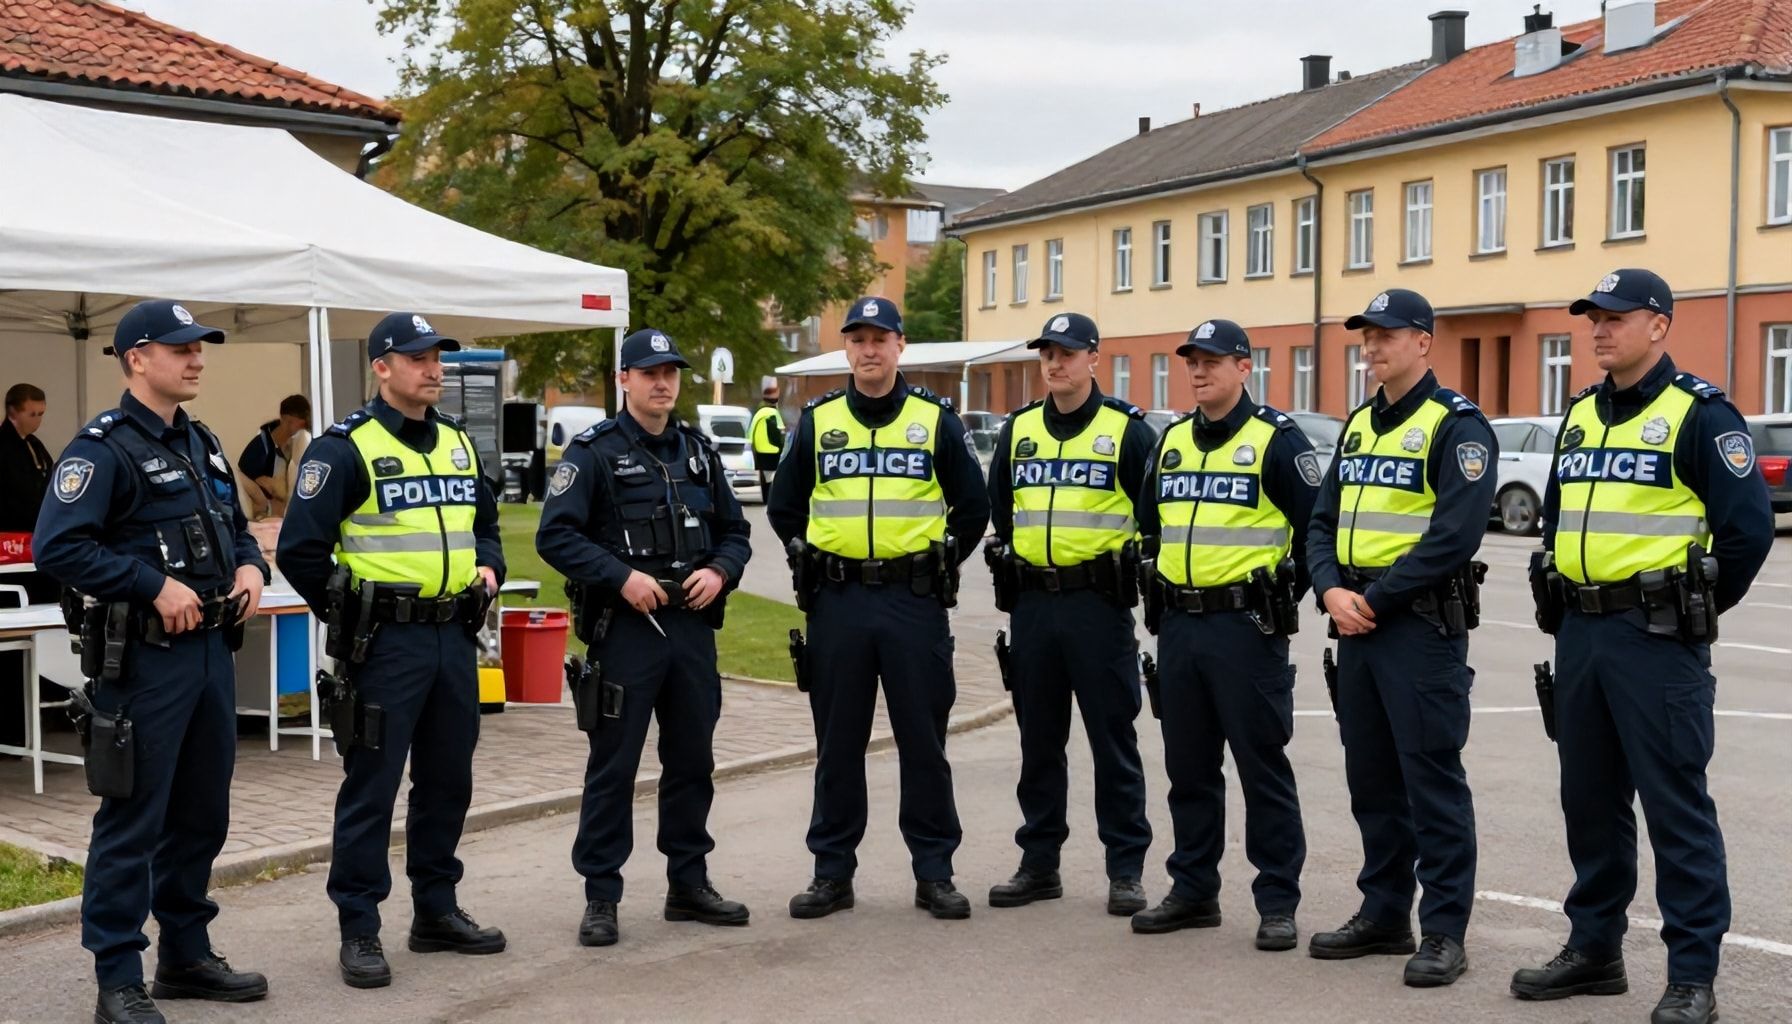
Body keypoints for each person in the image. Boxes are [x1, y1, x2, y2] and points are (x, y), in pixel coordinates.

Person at [1510, 270, 1773, 1024]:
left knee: (1675, 806)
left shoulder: (1700, 414)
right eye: (1593, 317)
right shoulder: (1584, 414)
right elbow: (1560, 518)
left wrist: (1691, 609)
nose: (1599, 329)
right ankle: (1595, 950)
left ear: (1659, 325)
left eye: (1616, 318)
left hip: (1657, 639)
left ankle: (1693, 975)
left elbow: (1748, 533)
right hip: (1583, 634)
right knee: (1588, 800)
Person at [34, 300, 269, 1024]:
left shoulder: (200, 442)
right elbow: (59, 547)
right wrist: (152, 585)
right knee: (133, 819)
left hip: (210, 655)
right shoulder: (101, 448)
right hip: (143, 662)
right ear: (138, 358)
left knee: (203, 811)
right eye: (180, 348)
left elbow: (233, 526)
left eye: (199, 348)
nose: (196, 358)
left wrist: (253, 567)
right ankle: (117, 977)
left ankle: (185, 955)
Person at [277, 312, 506, 990]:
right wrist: (351, 619)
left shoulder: (459, 446)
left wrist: (488, 568)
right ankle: (360, 928)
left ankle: (436, 911)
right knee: (372, 788)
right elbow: (300, 549)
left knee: (447, 783)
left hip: (452, 638)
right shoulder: (343, 449)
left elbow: (485, 527)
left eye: (437, 357)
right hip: (385, 645)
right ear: (381, 366)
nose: (433, 368)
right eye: (417, 358)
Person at [768, 296, 990, 921]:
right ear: (846, 348)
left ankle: (935, 873)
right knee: (838, 743)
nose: (869, 349)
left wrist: (943, 560)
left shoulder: (936, 421)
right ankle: (831, 874)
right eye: (858, 338)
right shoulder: (816, 422)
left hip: (912, 602)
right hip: (837, 603)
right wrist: (804, 558)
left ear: (901, 347)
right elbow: (784, 507)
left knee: (924, 743)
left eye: (880, 338)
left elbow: (972, 508)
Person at [536, 327, 754, 948]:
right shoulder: (594, 452)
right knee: (614, 766)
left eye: (671, 372)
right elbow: (556, 535)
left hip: (690, 631)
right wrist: (621, 577)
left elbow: (736, 532)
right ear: (622, 380)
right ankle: (601, 896)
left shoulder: (698, 452)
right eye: (649, 372)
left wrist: (721, 570)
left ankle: (688, 884)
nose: (663, 382)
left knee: (692, 764)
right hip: (626, 632)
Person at [1306, 288, 1496, 988]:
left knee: (1431, 781)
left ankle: (1445, 931)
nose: (1372, 346)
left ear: (1423, 341)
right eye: (1366, 336)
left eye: (1386, 335)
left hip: (1416, 629)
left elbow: (1453, 535)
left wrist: (1374, 598)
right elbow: (1319, 523)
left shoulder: (1458, 426)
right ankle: (1384, 913)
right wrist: (1328, 588)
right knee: (1373, 780)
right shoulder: (1358, 426)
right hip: (1357, 625)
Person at [1133, 319, 1316, 949]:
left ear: (1245, 367)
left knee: (1261, 767)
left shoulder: (1278, 441)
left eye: (1214, 360)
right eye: (1192, 361)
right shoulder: (1172, 441)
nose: (1200, 371)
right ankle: (1192, 890)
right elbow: (1149, 524)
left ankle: (1276, 901)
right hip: (1180, 625)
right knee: (1188, 768)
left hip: (1247, 627)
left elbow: (1317, 531)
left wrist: (1279, 600)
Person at [982, 312, 1155, 916]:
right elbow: (1001, 513)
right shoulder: (1020, 430)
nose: (1055, 363)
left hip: (1098, 606)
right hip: (1032, 606)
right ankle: (1039, 863)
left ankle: (1126, 867)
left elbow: (1154, 519)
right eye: (1047, 354)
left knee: (1113, 741)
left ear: (1093, 358)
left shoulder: (1127, 431)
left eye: (1067, 352)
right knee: (1039, 741)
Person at [236, 394, 311, 519]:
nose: (299, 430)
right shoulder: (259, 448)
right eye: (294, 423)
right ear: (284, 420)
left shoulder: (305, 441)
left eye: (302, 425)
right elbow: (247, 486)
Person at [0, 382, 52, 532]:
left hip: (35, 527)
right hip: (10, 531)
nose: (37, 420)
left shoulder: (34, 444)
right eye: (32, 414)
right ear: (13, 412)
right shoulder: (4, 447)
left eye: (41, 414)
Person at [749, 381, 785, 496]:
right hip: (771, 451)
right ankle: (770, 499)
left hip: (759, 450)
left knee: (765, 479)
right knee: (771, 479)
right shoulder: (772, 413)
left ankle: (766, 498)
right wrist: (781, 446)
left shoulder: (759, 412)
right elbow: (776, 434)